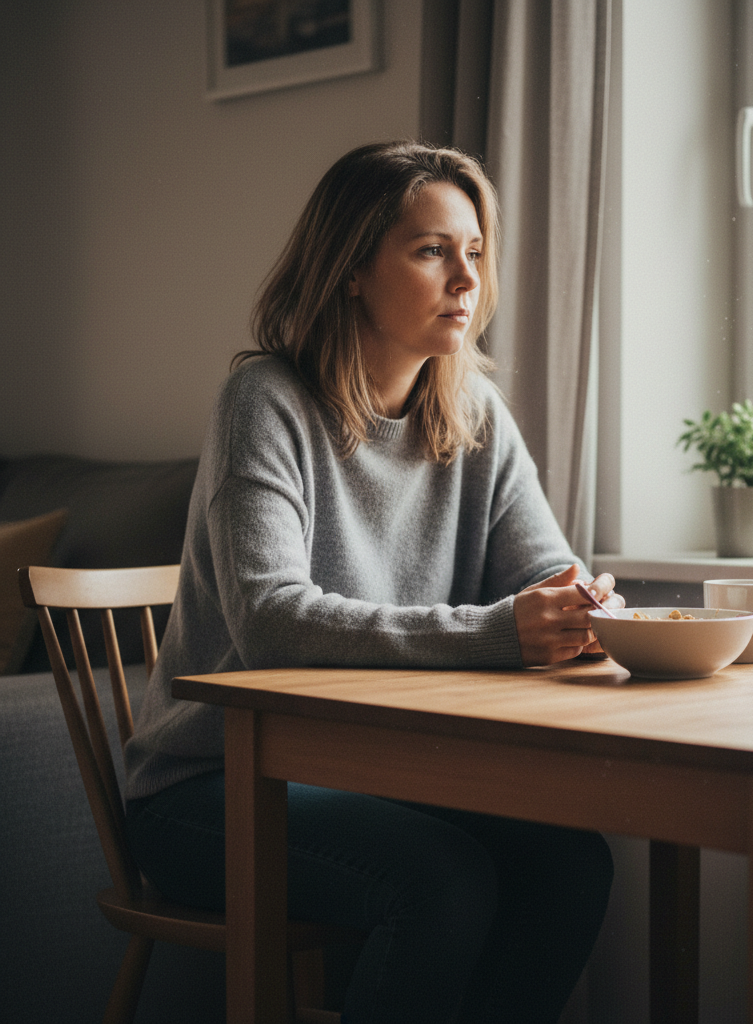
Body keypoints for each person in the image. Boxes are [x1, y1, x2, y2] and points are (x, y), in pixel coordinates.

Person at [123, 140, 623, 1024]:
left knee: (571, 863)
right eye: (432, 250)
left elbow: (545, 572)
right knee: (442, 881)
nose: (466, 280)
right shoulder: (264, 403)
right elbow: (273, 620)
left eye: (474, 252)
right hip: (210, 787)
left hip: (368, 774)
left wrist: (581, 608)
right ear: (350, 268)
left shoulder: (473, 413)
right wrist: (502, 631)